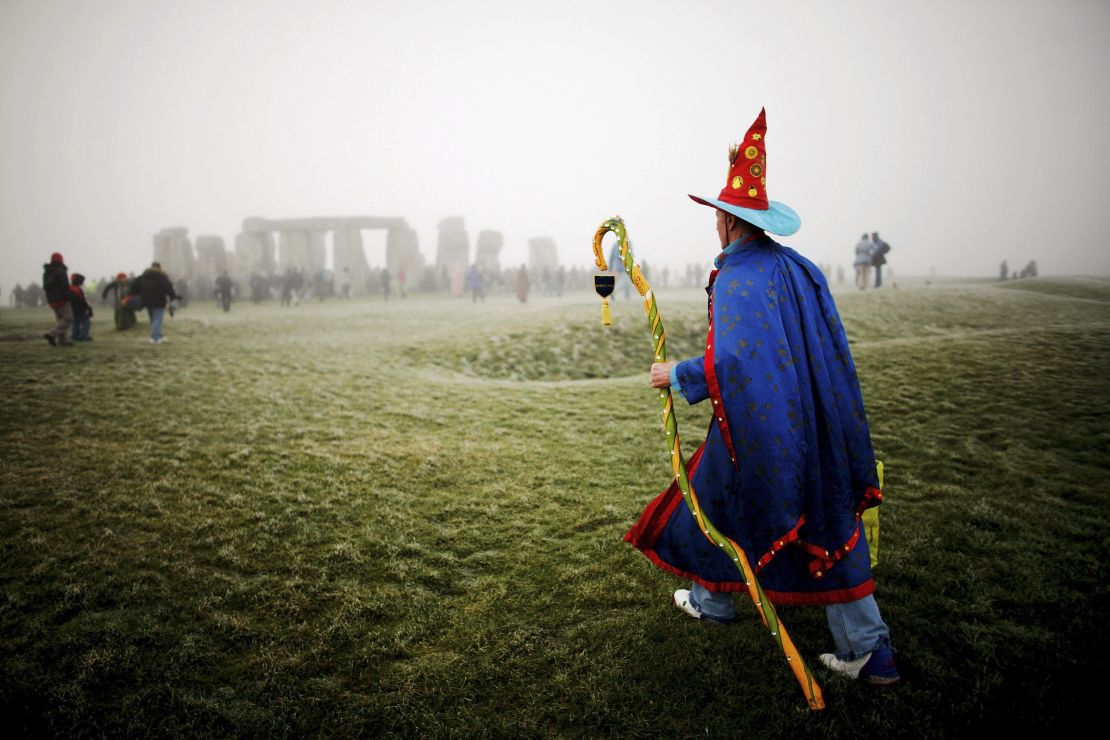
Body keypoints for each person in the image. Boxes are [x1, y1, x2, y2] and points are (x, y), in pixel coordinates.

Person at [627, 108, 899, 685]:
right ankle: (718, 600)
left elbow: (740, 361)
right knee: (744, 501)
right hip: (813, 418)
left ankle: (867, 649)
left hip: (764, 427)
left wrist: (676, 374)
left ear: (726, 220)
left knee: (793, 511)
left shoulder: (738, 276)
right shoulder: (797, 267)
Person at [135, 261, 179, 344]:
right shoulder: (162, 276)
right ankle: (154, 337)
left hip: (147, 300)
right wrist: (172, 296)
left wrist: (139, 294)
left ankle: (159, 335)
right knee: (157, 319)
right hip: (159, 300)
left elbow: (135, 285)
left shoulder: (144, 276)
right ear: (159, 268)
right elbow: (168, 287)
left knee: (154, 319)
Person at [42, 252, 73, 347]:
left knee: (60, 320)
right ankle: (51, 334)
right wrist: (69, 296)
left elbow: (46, 287)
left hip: (52, 301)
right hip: (62, 299)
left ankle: (63, 341)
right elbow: (65, 286)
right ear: (61, 260)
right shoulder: (60, 270)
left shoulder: (47, 272)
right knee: (68, 319)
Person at [69, 273, 94, 342]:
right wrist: (89, 308)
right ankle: (83, 336)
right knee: (86, 322)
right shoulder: (79, 289)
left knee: (75, 323)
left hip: (73, 309)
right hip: (81, 309)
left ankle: (75, 335)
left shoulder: (70, 288)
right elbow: (84, 300)